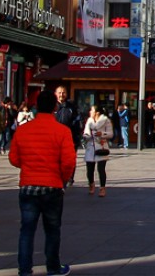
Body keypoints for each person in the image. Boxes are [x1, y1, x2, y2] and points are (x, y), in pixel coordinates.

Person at [9, 89, 77, 276]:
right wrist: (62, 178)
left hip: (28, 186)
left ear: (36, 106)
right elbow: (69, 161)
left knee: (27, 231)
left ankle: (24, 270)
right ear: (55, 107)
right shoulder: (62, 131)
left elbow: (14, 158)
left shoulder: (23, 130)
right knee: (52, 229)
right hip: (52, 186)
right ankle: (53, 268)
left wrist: (29, 164)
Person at [83, 103, 113, 197]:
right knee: (90, 169)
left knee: (101, 169)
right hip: (90, 146)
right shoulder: (89, 120)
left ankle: (102, 188)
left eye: (92, 110)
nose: (90, 112)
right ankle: (91, 185)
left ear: (97, 112)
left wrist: (102, 134)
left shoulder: (106, 120)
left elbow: (110, 134)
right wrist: (86, 136)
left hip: (101, 146)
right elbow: (86, 132)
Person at [52, 86, 81, 152]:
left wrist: (76, 140)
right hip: (54, 139)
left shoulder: (72, 107)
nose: (61, 95)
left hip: (68, 139)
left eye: (63, 93)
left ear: (66, 94)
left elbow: (76, 124)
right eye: (59, 93)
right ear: (55, 94)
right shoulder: (51, 106)